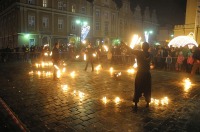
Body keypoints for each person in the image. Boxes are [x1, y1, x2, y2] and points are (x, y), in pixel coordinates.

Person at [121, 41, 152, 111]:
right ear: (148, 47)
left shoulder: (139, 53)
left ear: (142, 47)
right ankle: (147, 103)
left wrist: (125, 44)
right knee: (147, 88)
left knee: (138, 87)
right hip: (147, 74)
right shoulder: (150, 54)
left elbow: (131, 50)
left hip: (140, 73)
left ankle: (135, 104)